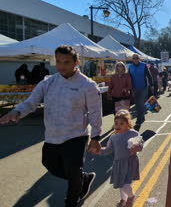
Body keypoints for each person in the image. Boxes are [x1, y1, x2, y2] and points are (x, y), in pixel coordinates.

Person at [0, 45, 102, 207]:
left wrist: (96, 137)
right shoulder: (48, 82)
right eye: (59, 62)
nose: (61, 66)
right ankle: (83, 178)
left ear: (76, 62)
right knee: (51, 165)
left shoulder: (87, 85)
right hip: (53, 136)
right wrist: (17, 112)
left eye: (66, 62)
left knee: (73, 170)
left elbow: (95, 113)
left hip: (77, 135)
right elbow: (31, 102)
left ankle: (72, 201)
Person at [99, 110, 143, 207]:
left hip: (130, 162)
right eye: (116, 123)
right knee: (120, 183)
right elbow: (108, 150)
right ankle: (123, 200)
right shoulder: (113, 137)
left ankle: (131, 196)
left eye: (121, 123)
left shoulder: (133, 133)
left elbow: (140, 144)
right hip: (119, 162)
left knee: (124, 183)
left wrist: (137, 148)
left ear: (128, 124)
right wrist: (99, 150)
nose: (118, 125)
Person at [128, 54, 153, 128]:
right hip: (134, 88)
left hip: (143, 88)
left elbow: (149, 76)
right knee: (138, 104)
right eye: (134, 58)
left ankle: (139, 120)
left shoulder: (144, 65)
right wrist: (129, 89)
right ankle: (142, 117)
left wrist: (151, 86)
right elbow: (129, 77)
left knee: (140, 103)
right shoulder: (130, 67)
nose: (135, 59)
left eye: (136, 58)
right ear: (132, 59)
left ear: (139, 59)